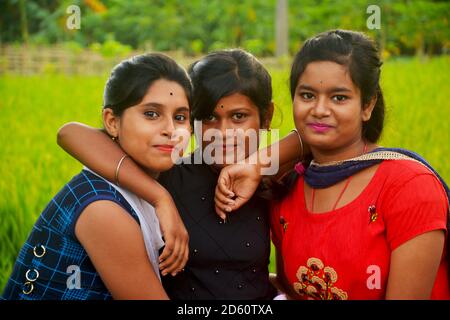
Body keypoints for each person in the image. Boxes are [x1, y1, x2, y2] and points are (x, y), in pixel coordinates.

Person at [215, 30, 450, 300]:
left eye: (339, 97)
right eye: (307, 95)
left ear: (368, 105)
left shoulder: (408, 186)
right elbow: (290, 289)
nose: (320, 109)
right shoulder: (288, 187)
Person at [56, 49, 306, 299]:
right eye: (208, 117)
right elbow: (70, 134)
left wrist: (257, 165)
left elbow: (326, 135)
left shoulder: (268, 174)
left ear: (266, 117)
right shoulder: (168, 174)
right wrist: (160, 197)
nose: (223, 132)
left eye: (238, 117)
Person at [2, 53, 191, 300]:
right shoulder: (104, 209)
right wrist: (161, 198)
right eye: (151, 114)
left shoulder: (155, 180)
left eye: (180, 117)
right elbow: (69, 132)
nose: (170, 130)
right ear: (112, 122)